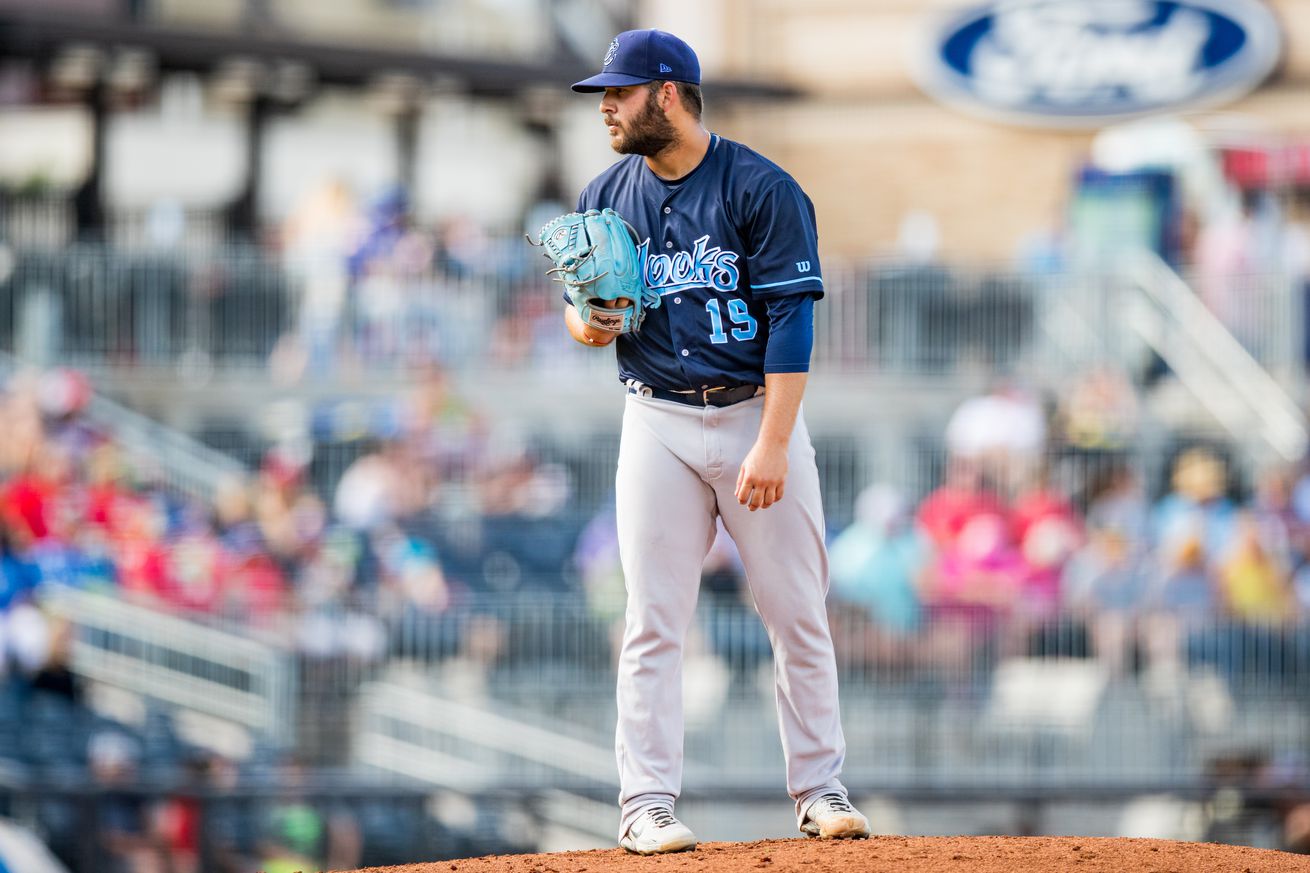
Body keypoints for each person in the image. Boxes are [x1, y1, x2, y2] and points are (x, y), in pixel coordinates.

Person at [562, 28, 868, 855]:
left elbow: (792, 322)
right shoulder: (605, 192)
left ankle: (819, 788)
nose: (607, 109)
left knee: (798, 612)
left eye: (618, 94)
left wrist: (772, 442)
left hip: (752, 413)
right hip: (655, 416)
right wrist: (592, 323)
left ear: (667, 94)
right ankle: (646, 803)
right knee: (654, 620)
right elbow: (582, 316)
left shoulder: (760, 187)